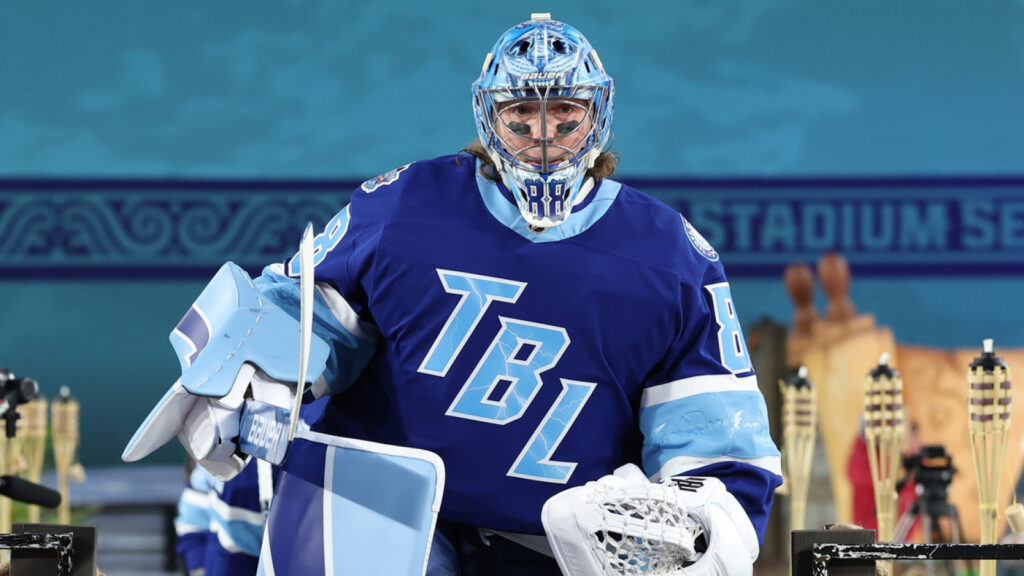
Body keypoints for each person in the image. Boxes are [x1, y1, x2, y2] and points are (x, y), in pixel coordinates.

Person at [127, 13, 781, 575]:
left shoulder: (671, 258)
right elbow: (307, 312)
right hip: (379, 522)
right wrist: (254, 374)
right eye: (522, 112)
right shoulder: (405, 208)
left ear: (598, 114)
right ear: (489, 115)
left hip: (556, 548)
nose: (543, 134)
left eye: (564, 111)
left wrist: (705, 530)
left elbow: (719, 446)